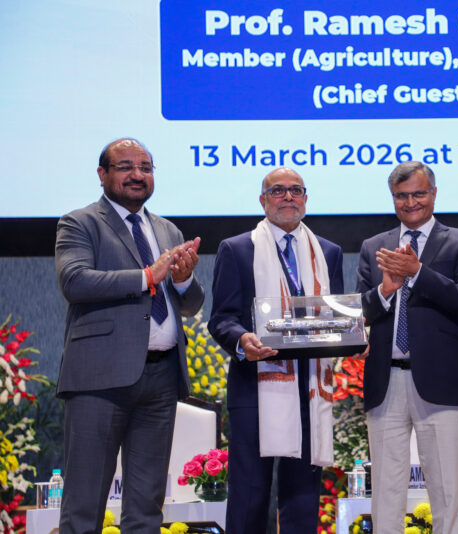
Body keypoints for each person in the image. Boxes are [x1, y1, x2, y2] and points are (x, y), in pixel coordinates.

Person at [55, 138, 204, 533]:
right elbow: (75, 280)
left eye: (146, 167)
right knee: (84, 506)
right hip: (98, 381)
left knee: (146, 508)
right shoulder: (80, 222)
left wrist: (184, 280)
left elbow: (188, 305)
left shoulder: (167, 229)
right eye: (125, 167)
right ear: (102, 174)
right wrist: (145, 277)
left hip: (160, 380)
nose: (138, 175)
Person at [208, 167, 344, 534]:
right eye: (278, 191)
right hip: (256, 386)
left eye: (295, 190)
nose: (287, 197)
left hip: (311, 388)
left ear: (305, 198)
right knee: (250, 494)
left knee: (303, 495)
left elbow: (337, 317)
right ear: (262, 200)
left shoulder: (328, 253)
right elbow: (221, 318)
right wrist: (241, 340)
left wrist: (353, 337)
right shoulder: (237, 249)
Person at [356, 161, 458, 534]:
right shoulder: (373, 246)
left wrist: (418, 273)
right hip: (385, 380)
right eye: (401, 196)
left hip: (441, 383)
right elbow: (362, 309)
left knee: (446, 491)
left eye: (418, 194)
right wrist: (385, 290)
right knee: (387, 493)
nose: (410, 202)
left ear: (434, 194)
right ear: (393, 199)